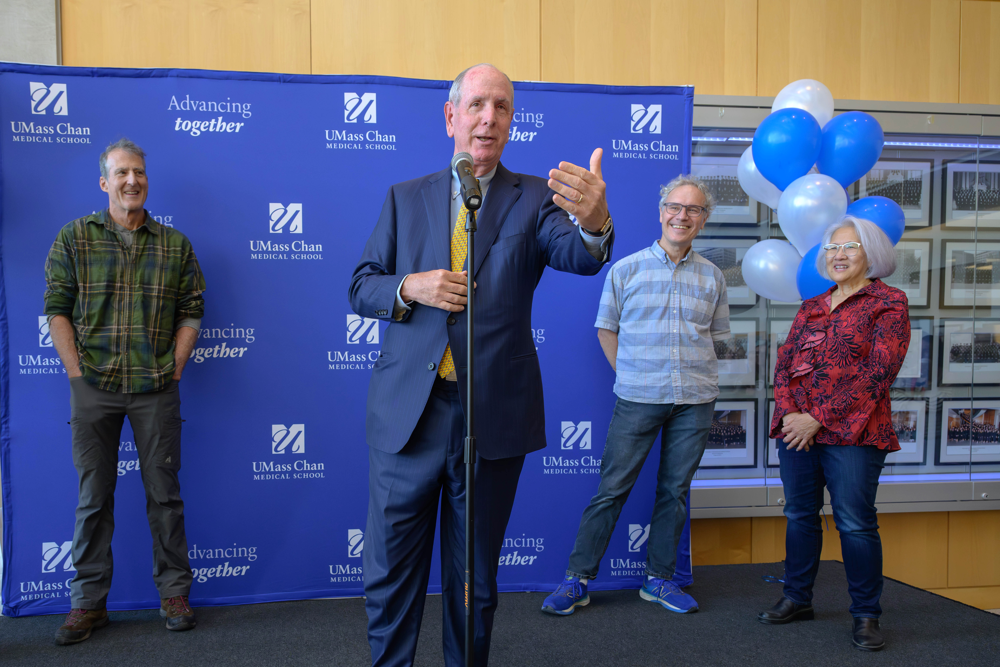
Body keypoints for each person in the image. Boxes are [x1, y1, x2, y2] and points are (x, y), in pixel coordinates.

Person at [348, 63, 613, 667]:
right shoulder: (403, 198)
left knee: (475, 583)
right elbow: (361, 287)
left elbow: (579, 254)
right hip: (407, 418)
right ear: (451, 118)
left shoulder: (535, 201)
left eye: (501, 107)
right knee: (389, 576)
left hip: (490, 417)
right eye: (476, 105)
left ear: (511, 123)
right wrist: (410, 285)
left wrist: (596, 223)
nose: (488, 117)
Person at [540, 176, 730, 617]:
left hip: (696, 399)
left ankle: (659, 580)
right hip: (638, 396)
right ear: (661, 211)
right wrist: (630, 374)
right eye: (675, 206)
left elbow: (717, 337)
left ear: (703, 221)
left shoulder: (713, 276)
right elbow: (607, 329)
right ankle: (577, 581)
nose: (683, 215)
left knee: (675, 492)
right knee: (611, 490)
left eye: (694, 210)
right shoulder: (625, 269)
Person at [44, 138, 205, 645]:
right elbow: (57, 308)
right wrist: (75, 374)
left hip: (156, 388)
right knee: (93, 497)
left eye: (138, 172)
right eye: (121, 173)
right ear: (104, 183)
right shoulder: (74, 237)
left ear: (145, 181)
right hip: (93, 387)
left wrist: (175, 367)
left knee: (165, 496)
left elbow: (192, 309)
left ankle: (174, 593)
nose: (131, 181)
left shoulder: (174, 245)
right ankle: (88, 603)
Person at [758, 216, 909, 652]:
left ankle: (866, 615)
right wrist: (789, 414)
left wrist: (817, 418)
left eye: (850, 247)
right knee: (799, 516)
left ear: (872, 254)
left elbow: (878, 371)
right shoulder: (811, 306)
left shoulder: (889, 302)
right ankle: (796, 598)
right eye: (832, 248)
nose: (839, 255)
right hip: (797, 432)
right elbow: (785, 365)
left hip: (856, 434)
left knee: (855, 523)